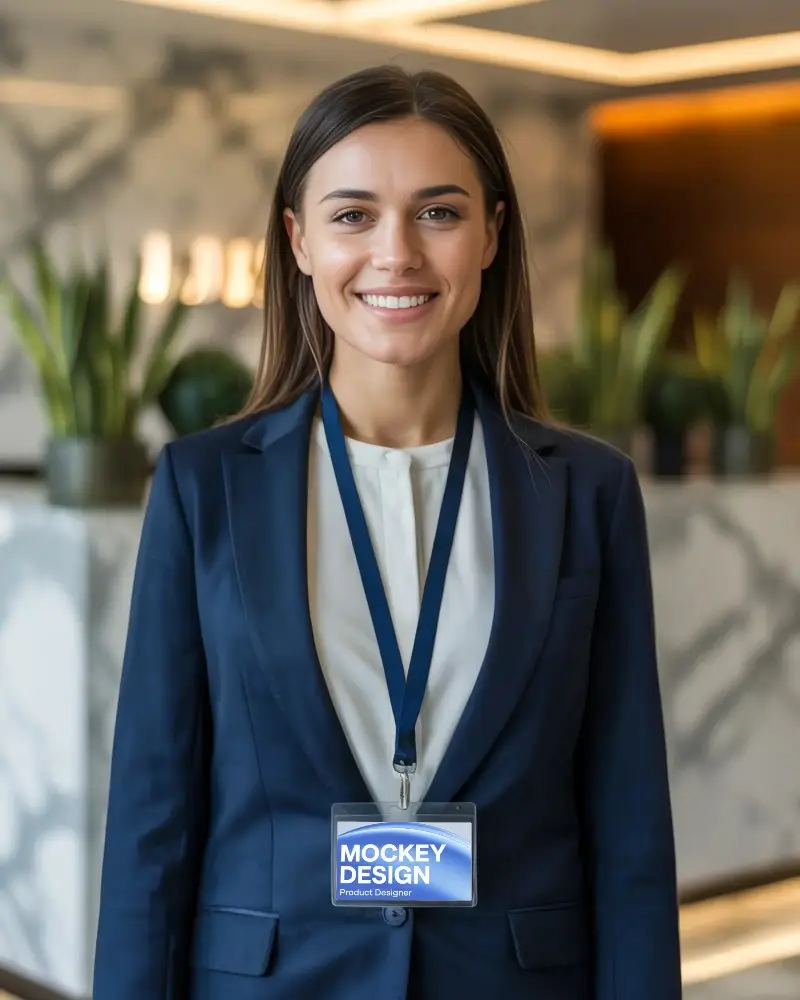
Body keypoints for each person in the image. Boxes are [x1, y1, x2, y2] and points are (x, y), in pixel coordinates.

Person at [93, 64, 682, 1000]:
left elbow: (629, 825)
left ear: (492, 234)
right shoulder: (204, 489)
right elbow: (150, 826)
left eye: (438, 213)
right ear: (299, 240)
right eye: (354, 215)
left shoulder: (589, 492)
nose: (396, 253)